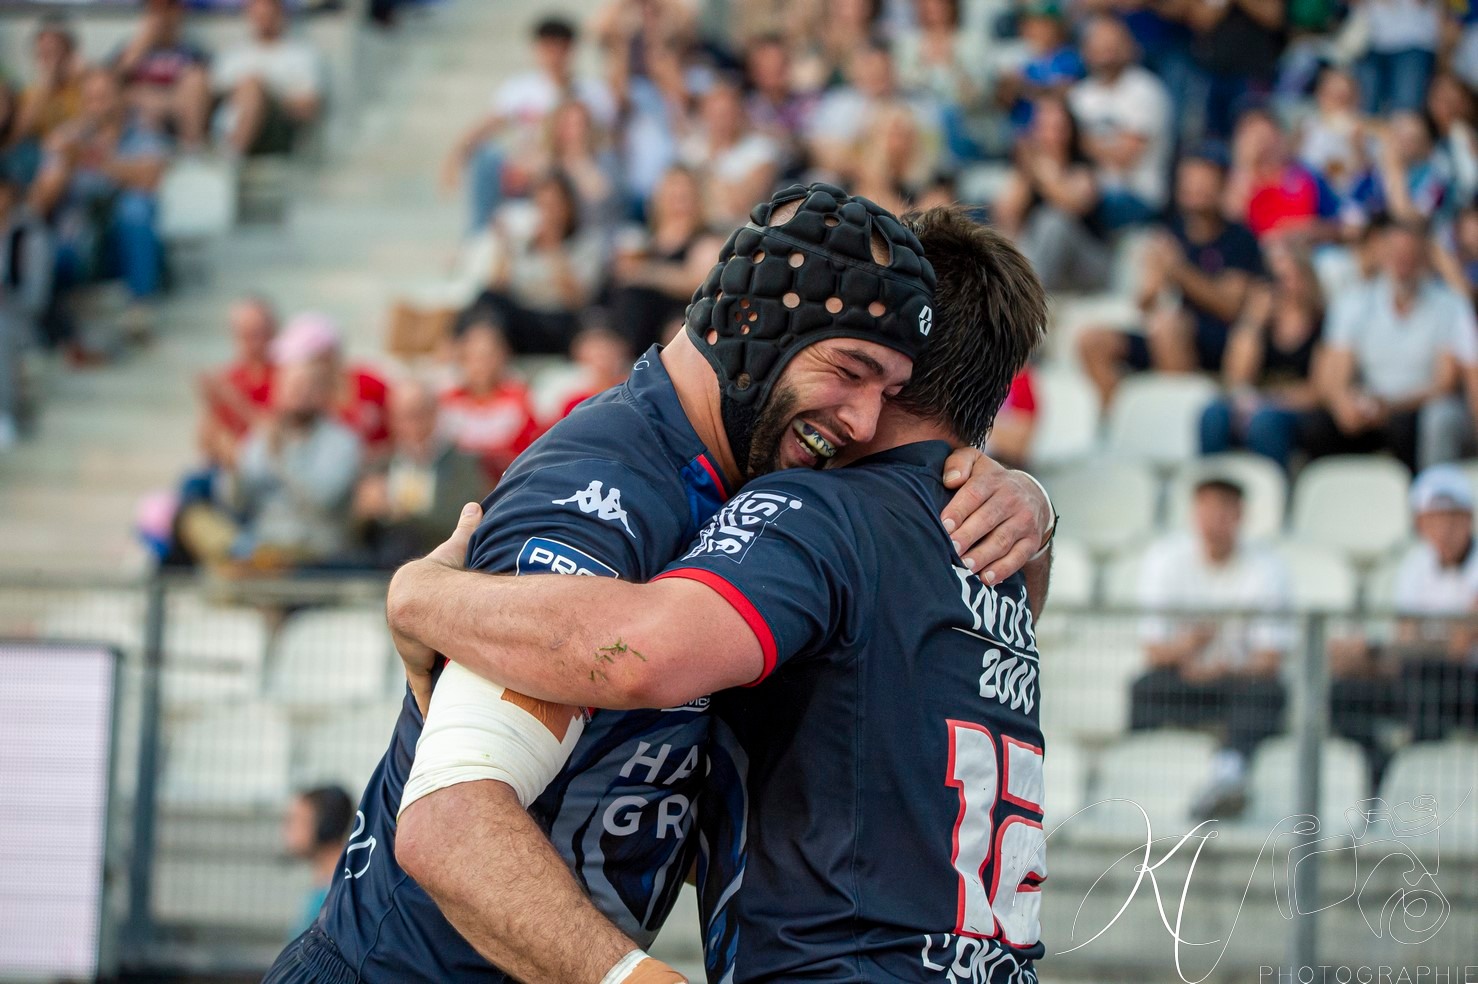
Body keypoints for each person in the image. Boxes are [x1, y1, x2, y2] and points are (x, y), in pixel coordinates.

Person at [262, 184, 1053, 983]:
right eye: (850, 371)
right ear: (755, 323)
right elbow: (449, 827)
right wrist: (417, 595)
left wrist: (1031, 506)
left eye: (887, 394)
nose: (861, 420)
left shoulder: (775, 495)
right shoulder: (605, 487)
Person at [1129, 476, 1292, 820]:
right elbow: (1154, 651)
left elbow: (1271, 659)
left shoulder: (1267, 568)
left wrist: (1220, 668)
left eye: (1223, 511)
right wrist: (1189, 647)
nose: (1213, 522)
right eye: (1206, 511)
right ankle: (1138, 773)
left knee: (1266, 692)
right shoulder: (1166, 560)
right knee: (1144, 687)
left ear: (1239, 516)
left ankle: (1230, 772)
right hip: (1184, 677)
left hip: (1236, 681)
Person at [1077, 150, 1265, 408]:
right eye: (1189, 180)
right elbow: (1144, 305)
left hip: (1218, 339)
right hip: (1168, 332)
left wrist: (1177, 270)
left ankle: (1177, 416)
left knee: (1168, 327)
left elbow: (1230, 305)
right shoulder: (1168, 232)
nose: (1195, 188)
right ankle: (1120, 418)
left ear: (1221, 186)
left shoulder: (1239, 238)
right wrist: (1152, 283)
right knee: (1093, 340)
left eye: (1204, 181)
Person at [1329, 464, 1478, 784]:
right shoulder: (1416, 564)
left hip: (1465, 683)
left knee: (1424, 681)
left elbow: (1458, 648)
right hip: (1425, 680)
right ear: (1421, 525)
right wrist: (1368, 657)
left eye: (1453, 518)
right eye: (1434, 520)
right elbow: (1408, 642)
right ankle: (1383, 769)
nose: (1445, 529)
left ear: (1468, 519)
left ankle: (1415, 775)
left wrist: (1378, 650)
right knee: (1343, 694)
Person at [1299, 220, 1475, 471]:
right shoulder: (1354, 302)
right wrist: (1344, 403)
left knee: (1417, 425)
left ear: (1424, 257)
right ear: (1383, 255)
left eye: (1410, 255)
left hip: (1412, 409)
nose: (1403, 263)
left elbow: (1444, 383)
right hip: (1368, 407)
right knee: (1318, 426)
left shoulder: (1448, 305)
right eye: (1397, 255)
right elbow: (1333, 375)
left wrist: (1389, 406)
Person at [176, 343, 362, 572]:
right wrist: (233, 469)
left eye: (306, 386)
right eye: (292, 385)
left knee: (245, 566)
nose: (299, 393)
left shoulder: (343, 442)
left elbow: (322, 499)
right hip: (261, 543)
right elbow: (237, 504)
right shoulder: (263, 436)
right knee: (194, 517)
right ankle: (242, 562)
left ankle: (242, 568)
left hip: (312, 550)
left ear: (323, 393)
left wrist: (281, 458)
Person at [442, 17, 615, 230]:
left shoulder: (592, 92)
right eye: (546, 47)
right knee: (489, 159)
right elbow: (488, 125)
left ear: (571, 49)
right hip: (531, 171)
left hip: (572, 168)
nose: (553, 55)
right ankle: (478, 234)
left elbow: (606, 139)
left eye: (558, 47)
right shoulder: (521, 89)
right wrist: (456, 156)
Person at [30, 68, 170, 330]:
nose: (97, 106)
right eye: (91, 98)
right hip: (76, 243)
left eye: (104, 97)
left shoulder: (143, 132)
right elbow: (39, 203)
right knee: (43, 246)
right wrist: (65, 167)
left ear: (121, 97)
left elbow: (150, 178)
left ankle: (140, 307)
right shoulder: (66, 137)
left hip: (120, 243)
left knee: (136, 208)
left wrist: (97, 159)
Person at [1198, 242, 1323, 470]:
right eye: (1272, 278)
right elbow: (1235, 379)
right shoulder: (1261, 323)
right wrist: (1252, 322)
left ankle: (1273, 495)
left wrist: (1269, 400)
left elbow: (1318, 391)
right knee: (1213, 415)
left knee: (1266, 422)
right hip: (1257, 406)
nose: (1278, 286)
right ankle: (1213, 491)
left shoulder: (1321, 324)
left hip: (1297, 412)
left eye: (1285, 277)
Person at [351, 379, 488, 570]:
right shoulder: (380, 464)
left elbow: (462, 521)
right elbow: (353, 531)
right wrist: (364, 512)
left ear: (434, 413)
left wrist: (404, 513)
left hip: (440, 563)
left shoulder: (463, 465)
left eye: (417, 413)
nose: (410, 424)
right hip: (382, 564)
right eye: (401, 416)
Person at [472, 170, 607, 355]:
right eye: (542, 205)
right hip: (521, 318)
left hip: (558, 322)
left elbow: (577, 300)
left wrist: (553, 246)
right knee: (487, 299)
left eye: (554, 205)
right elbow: (498, 286)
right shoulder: (523, 242)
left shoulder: (585, 244)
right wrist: (504, 246)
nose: (547, 212)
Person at [994, 94, 1110, 293]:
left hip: (1089, 263)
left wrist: (1043, 172)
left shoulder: (1082, 166)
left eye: (1058, 127)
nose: (1051, 135)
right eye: (1044, 127)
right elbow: (1006, 215)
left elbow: (1074, 204)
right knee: (1007, 234)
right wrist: (1025, 173)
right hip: (1044, 259)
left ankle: (1030, 296)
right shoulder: (1029, 168)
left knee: (1053, 221)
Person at [1068, 15, 1172, 230]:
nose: (1107, 52)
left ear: (1129, 47)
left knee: (1067, 208)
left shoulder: (1145, 89)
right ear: (1086, 51)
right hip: (1089, 188)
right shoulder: (1079, 94)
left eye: (1113, 44)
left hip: (1137, 195)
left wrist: (1079, 141)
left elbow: (1125, 156)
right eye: (1099, 45)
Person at [608, 166, 723, 352]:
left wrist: (644, 272)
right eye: (671, 195)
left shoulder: (705, 240)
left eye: (684, 196)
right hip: (630, 330)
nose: (676, 202)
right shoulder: (646, 242)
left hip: (675, 327)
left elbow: (699, 281)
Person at [210, 0, 324, 156]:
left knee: (252, 87)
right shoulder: (233, 54)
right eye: (259, 13)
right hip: (227, 119)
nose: (264, 19)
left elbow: (309, 107)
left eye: (269, 12)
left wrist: (264, 95)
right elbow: (214, 96)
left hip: (276, 129)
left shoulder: (301, 54)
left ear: (281, 13)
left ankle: (230, 158)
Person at [435, 314, 541, 479]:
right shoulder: (448, 401)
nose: (481, 365)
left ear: (502, 356)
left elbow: (529, 449)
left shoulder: (519, 398)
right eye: (474, 357)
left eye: (488, 356)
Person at [112, 0, 211, 150]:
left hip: (175, 117)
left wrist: (160, 100)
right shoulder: (129, 49)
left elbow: (202, 93)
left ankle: (192, 153)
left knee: (196, 79)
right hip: (135, 117)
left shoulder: (193, 51)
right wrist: (136, 51)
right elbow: (107, 84)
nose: (162, 17)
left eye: (168, 10)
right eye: (156, 11)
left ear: (178, 13)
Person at [196, 296, 277, 470]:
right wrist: (210, 404)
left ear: (273, 331)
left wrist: (232, 399)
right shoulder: (229, 376)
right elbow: (205, 446)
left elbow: (275, 435)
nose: (250, 343)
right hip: (233, 466)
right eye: (242, 334)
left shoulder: (286, 376)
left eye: (256, 333)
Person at [282, 786, 354, 940]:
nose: (286, 829)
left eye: (294, 820)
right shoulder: (325, 888)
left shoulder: (338, 895)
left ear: (325, 825)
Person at [14, 17, 83, 145]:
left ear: (69, 54)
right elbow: (17, 132)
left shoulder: (83, 87)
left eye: (54, 53)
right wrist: (45, 86)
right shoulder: (30, 94)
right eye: (43, 54)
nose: (50, 62)